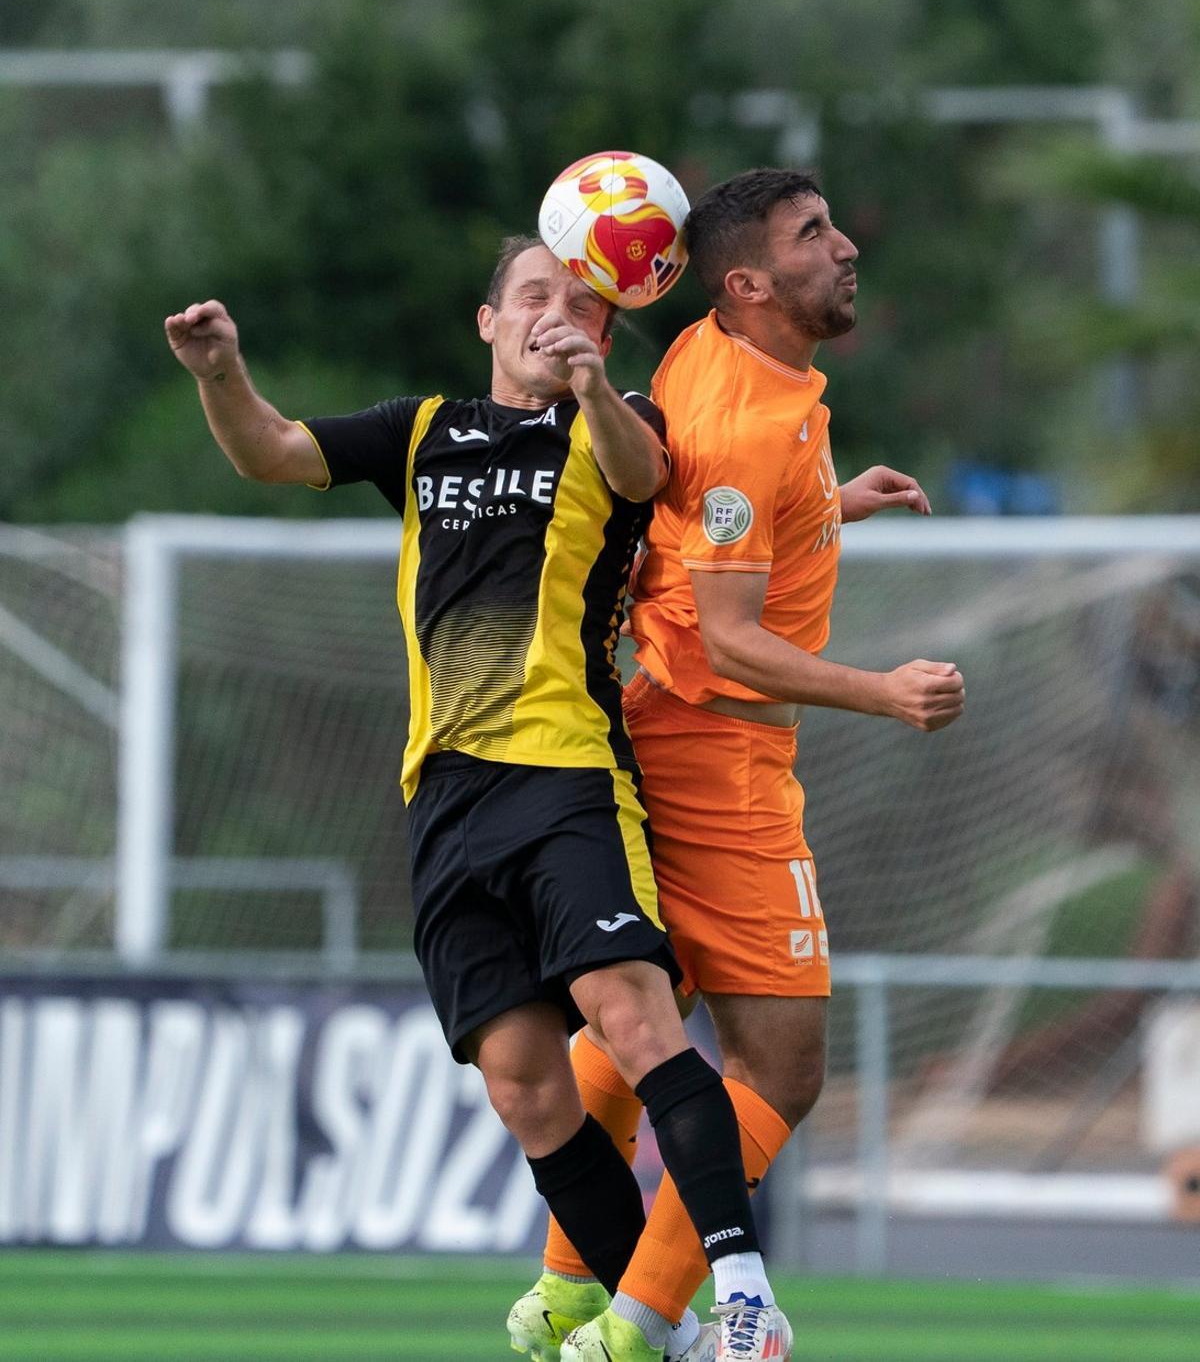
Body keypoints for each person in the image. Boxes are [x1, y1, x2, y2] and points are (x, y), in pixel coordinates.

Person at [164, 234, 789, 1362]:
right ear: (489, 322)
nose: (557, 317)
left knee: (632, 1017)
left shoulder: (614, 423)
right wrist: (222, 374)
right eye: (534, 297)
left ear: (603, 337)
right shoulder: (422, 431)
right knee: (524, 1089)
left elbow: (651, 481)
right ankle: (684, 1344)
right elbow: (271, 453)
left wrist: (596, 384)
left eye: (583, 309)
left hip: (566, 776)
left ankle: (747, 1291)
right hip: (445, 799)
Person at [517, 169, 966, 1362]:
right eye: (814, 234)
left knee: (650, 1020)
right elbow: (728, 633)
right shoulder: (747, 424)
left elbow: (694, 510)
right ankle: (639, 1324)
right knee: (784, 1063)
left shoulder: (714, 356)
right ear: (750, 283)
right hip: (714, 753)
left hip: (670, 725)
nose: (847, 245)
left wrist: (828, 504)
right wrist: (885, 692)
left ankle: (569, 1292)